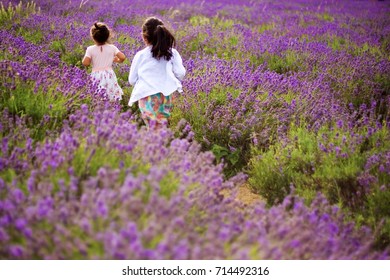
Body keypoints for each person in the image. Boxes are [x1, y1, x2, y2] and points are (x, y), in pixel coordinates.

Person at [128, 17, 186, 127]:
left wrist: (145, 83)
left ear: (144, 37)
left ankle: (156, 143)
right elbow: (181, 73)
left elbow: (132, 80)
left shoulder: (140, 55)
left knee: (153, 128)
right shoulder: (172, 52)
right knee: (161, 126)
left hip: (146, 96)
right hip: (165, 96)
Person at [82, 22, 126, 101]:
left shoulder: (90, 49)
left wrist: (91, 58)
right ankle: (112, 108)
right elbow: (123, 57)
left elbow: (85, 63)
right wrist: (118, 60)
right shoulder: (112, 47)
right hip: (109, 74)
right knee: (111, 93)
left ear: (93, 37)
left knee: (97, 95)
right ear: (108, 35)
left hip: (96, 75)